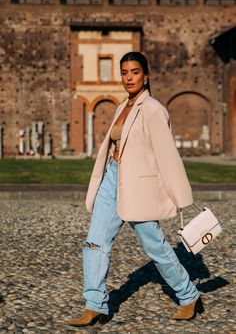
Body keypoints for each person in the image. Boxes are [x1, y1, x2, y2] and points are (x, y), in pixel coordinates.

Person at [66, 52, 203, 328]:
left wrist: (180, 196)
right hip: (111, 180)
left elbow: (167, 155)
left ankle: (189, 296)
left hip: (137, 187)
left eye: (135, 72)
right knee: (95, 242)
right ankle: (95, 305)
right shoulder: (121, 106)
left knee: (155, 245)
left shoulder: (153, 109)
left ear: (146, 75)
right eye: (124, 72)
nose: (129, 77)